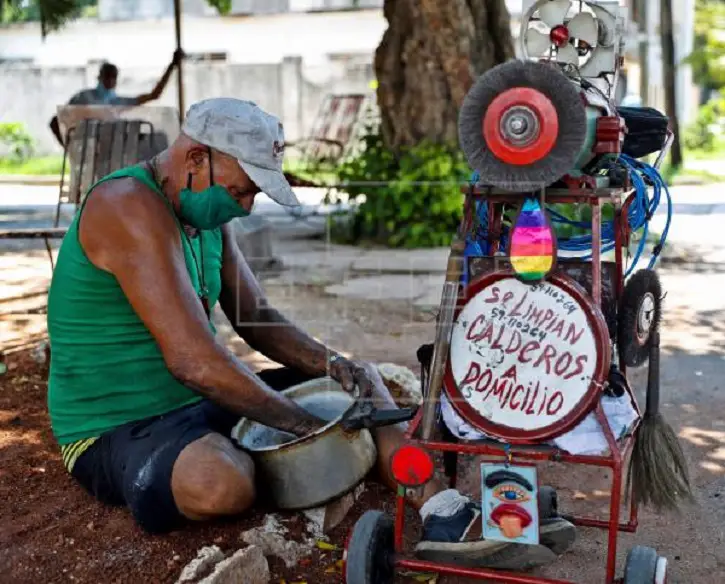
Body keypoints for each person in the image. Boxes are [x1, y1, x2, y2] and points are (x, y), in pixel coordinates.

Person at [46, 97, 575, 571]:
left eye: (250, 195)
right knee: (221, 483)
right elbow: (194, 363)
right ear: (195, 159)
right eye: (240, 190)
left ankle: (443, 511)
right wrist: (301, 425)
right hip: (116, 427)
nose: (245, 207)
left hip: (197, 403)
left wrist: (336, 366)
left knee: (361, 383)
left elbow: (258, 318)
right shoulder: (127, 206)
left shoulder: (204, 215)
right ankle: (311, 463)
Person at [49, 51, 183, 147]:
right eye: (107, 76)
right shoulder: (84, 97)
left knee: (156, 137)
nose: (110, 80)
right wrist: (69, 149)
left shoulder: (118, 102)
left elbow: (154, 95)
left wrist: (172, 66)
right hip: (89, 149)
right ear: (99, 77)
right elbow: (57, 121)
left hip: (113, 150)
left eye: (113, 77)